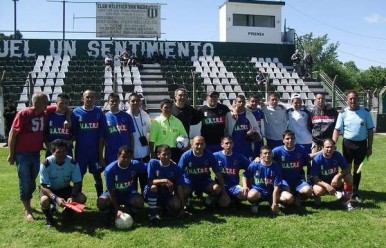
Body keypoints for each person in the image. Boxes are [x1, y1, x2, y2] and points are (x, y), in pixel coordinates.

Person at [7, 92, 57, 221]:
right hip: (22, 154)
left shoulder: (44, 113)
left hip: (35, 153)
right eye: (45, 101)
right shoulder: (24, 114)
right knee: (24, 180)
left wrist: (67, 114)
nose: (48, 103)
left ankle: (27, 201)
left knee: (32, 180)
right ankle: (28, 210)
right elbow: (13, 134)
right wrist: (11, 154)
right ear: (37, 102)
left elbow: (62, 105)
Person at [332, 90, 374, 203]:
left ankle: (355, 191)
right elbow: (337, 130)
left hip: (361, 145)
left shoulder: (365, 112)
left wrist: (369, 147)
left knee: (358, 169)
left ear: (357, 99)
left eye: (354, 98)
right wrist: (333, 143)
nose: (352, 101)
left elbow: (370, 130)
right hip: (347, 144)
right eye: (350, 99)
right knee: (346, 169)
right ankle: (346, 191)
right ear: (347, 100)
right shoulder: (343, 113)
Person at [39, 139, 87, 226]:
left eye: (64, 151)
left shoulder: (72, 162)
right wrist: (55, 198)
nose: (62, 154)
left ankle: (68, 212)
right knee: (44, 200)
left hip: (65, 188)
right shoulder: (46, 164)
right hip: (50, 190)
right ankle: (49, 218)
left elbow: (77, 182)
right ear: (52, 152)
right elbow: (43, 186)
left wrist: (72, 196)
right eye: (58, 152)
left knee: (81, 198)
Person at [97, 146, 145, 225]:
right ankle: (110, 215)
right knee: (101, 202)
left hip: (128, 194)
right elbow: (111, 190)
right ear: (118, 156)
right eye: (123, 157)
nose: (126, 159)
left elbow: (148, 167)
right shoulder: (110, 170)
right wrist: (117, 209)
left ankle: (131, 213)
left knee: (139, 201)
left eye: (128, 157)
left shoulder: (135, 164)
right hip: (114, 194)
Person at [71, 90, 106, 197]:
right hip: (81, 151)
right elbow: (73, 133)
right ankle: (78, 196)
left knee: (97, 175)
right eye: (87, 97)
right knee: (79, 175)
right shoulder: (76, 112)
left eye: (92, 97)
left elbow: (101, 135)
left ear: (94, 99)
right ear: (83, 98)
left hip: (95, 152)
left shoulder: (99, 112)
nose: (89, 99)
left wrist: (100, 155)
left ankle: (100, 197)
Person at [178, 136, 230, 209]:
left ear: (205, 145)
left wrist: (224, 192)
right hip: (190, 180)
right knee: (182, 190)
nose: (199, 146)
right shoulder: (186, 156)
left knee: (217, 189)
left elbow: (218, 173)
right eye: (197, 144)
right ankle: (185, 201)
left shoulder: (209, 155)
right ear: (192, 145)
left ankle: (209, 201)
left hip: (204, 181)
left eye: (201, 144)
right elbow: (179, 173)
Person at [243, 146, 293, 215]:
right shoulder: (254, 165)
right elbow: (245, 175)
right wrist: (245, 186)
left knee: (289, 198)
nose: (267, 155)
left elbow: (276, 188)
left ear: (272, 154)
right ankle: (255, 203)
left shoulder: (276, 167)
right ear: (260, 155)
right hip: (259, 191)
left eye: (269, 153)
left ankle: (276, 203)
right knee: (251, 195)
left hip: (272, 192)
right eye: (265, 153)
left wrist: (274, 204)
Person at [144, 145, 185, 225]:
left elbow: (180, 187)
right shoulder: (153, 163)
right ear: (158, 155)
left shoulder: (176, 168)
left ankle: (163, 209)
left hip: (166, 194)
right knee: (153, 187)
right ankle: (152, 216)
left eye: (169, 154)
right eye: (164, 154)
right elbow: (150, 182)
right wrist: (165, 180)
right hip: (151, 192)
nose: (166, 157)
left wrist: (182, 207)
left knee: (176, 205)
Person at [272, 130, 313, 206]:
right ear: (283, 140)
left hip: (297, 180)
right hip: (283, 180)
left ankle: (298, 197)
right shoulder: (277, 151)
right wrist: (258, 159)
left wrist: (322, 151)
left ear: (295, 139)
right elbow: (266, 159)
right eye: (287, 139)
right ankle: (282, 200)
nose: (290, 140)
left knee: (309, 191)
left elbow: (308, 157)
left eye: (292, 138)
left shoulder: (300, 149)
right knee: (288, 197)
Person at [311, 139, 354, 211]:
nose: (329, 149)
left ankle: (346, 200)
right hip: (321, 184)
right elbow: (315, 178)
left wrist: (337, 177)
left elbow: (346, 169)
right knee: (318, 190)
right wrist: (327, 186)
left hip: (334, 182)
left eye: (331, 147)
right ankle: (316, 197)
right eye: (327, 147)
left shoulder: (337, 155)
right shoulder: (317, 159)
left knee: (349, 177)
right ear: (322, 148)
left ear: (334, 147)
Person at [213, 136, 250, 205]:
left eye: (231, 143)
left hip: (233, 185)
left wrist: (257, 159)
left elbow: (251, 167)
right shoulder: (215, 156)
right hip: (220, 186)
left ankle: (233, 198)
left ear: (233, 144)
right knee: (224, 204)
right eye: (226, 143)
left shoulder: (238, 156)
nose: (229, 145)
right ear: (222, 145)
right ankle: (215, 198)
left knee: (245, 195)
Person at [127, 92, 151, 192]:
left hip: (145, 153)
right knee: (132, 180)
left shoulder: (145, 114)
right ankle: (134, 198)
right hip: (132, 154)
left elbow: (149, 131)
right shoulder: (126, 116)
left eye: (137, 100)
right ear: (128, 102)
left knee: (145, 179)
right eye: (133, 101)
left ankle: (145, 197)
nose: (135, 102)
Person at [225, 95, 261, 160]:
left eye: (243, 102)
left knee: (248, 168)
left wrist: (253, 133)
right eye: (239, 102)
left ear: (245, 103)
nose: (241, 103)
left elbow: (256, 128)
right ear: (235, 103)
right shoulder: (229, 115)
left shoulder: (249, 114)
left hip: (247, 147)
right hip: (234, 147)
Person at [104, 93, 135, 165]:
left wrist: (132, 152)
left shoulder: (127, 116)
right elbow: (102, 138)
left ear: (119, 102)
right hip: (110, 153)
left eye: (116, 101)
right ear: (108, 102)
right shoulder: (104, 117)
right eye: (112, 101)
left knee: (126, 174)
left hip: (125, 153)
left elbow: (131, 136)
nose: (114, 103)